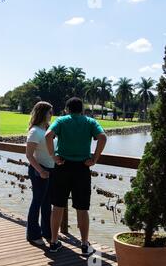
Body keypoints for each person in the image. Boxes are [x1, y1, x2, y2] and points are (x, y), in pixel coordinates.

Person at [45, 97, 107, 255]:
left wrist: (53, 156)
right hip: (82, 168)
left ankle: (53, 242)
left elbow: (48, 135)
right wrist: (95, 159)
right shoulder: (90, 122)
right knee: (82, 208)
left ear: (67, 109)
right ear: (82, 110)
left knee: (57, 206)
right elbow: (103, 137)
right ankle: (85, 244)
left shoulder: (62, 120)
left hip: (62, 166)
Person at [25, 101, 55, 246]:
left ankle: (47, 232)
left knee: (46, 203)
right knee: (37, 202)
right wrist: (41, 170)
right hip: (39, 171)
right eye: (50, 112)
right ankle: (33, 235)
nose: (52, 114)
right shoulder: (35, 131)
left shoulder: (46, 130)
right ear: (43, 113)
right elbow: (29, 155)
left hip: (49, 170)